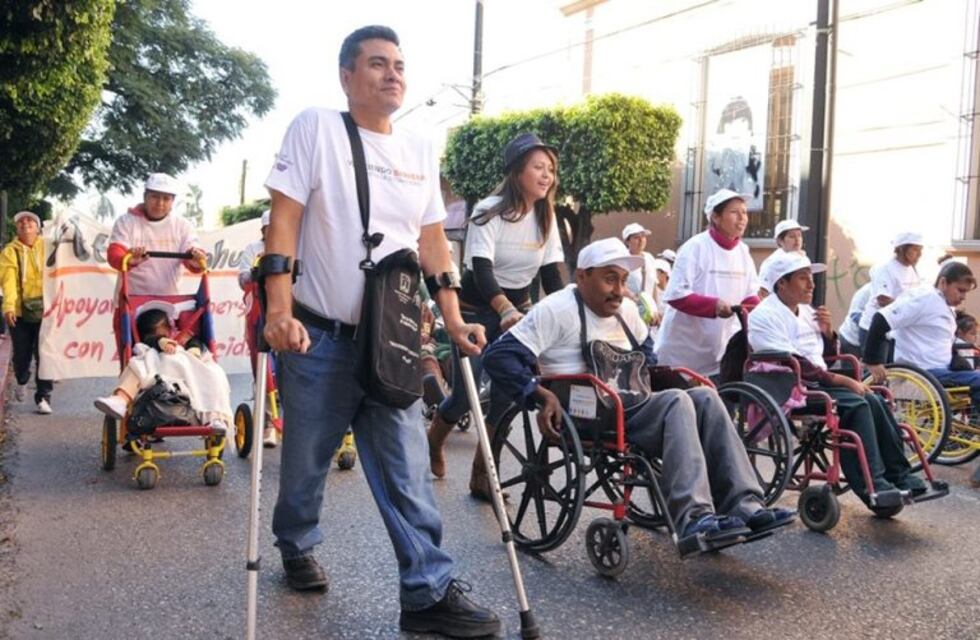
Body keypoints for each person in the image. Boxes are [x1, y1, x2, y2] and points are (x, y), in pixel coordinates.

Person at [260, 25, 499, 638]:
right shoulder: (315, 127)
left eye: (398, 65)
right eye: (376, 64)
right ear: (347, 76)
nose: (392, 74)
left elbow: (432, 242)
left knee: (407, 466)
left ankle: (427, 593)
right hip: (318, 338)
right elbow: (283, 221)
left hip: (391, 341)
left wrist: (451, 317)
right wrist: (278, 309)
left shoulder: (420, 151)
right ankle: (296, 542)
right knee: (306, 465)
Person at [482, 238, 795, 552]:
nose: (618, 290)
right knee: (677, 401)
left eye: (622, 280)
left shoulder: (627, 310)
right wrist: (537, 395)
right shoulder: (555, 309)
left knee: (707, 397)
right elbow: (499, 357)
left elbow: (646, 353)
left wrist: (650, 374)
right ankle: (693, 518)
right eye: (609, 279)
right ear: (582, 276)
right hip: (584, 408)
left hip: (627, 401)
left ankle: (744, 504)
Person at [427, 132, 565, 500]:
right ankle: (433, 441)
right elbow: (482, 269)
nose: (546, 174)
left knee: (506, 396)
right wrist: (503, 309)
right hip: (476, 310)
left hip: (517, 313)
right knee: (465, 397)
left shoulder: (547, 218)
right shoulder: (489, 210)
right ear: (517, 171)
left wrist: (570, 307)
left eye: (550, 168)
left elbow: (552, 276)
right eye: (538, 166)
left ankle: (481, 476)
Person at [751, 252, 926, 507]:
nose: (811, 285)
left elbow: (827, 358)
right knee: (858, 404)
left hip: (815, 382)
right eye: (803, 278)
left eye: (811, 278)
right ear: (782, 283)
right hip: (787, 387)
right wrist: (843, 381)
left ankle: (899, 475)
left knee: (875, 400)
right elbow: (792, 362)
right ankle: (873, 484)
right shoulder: (763, 315)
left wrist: (828, 333)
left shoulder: (807, 312)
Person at [655, 188, 761, 377]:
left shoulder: (743, 252)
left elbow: (750, 295)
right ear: (715, 217)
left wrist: (761, 313)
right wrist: (714, 306)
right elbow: (676, 295)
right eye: (734, 212)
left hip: (719, 353)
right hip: (682, 354)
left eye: (744, 212)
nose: (742, 218)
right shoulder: (694, 247)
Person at [92, 307, 231, 435]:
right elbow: (150, 340)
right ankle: (120, 400)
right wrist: (161, 341)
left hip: (189, 374)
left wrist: (193, 349)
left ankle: (215, 417)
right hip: (161, 375)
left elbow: (194, 342)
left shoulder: (181, 335)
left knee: (214, 373)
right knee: (139, 362)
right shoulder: (152, 342)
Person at [1, 211, 53, 414]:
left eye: (30, 220)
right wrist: (9, 307)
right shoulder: (9, 252)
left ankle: (43, 397)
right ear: (17, 229)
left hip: (47, 311)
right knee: (22, 355)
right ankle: (22, 379)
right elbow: (8, 281)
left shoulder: (49, 247)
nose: (25, 223)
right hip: (21, 313)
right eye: (21, 222)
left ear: (38, 227)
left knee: (45, 356)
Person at [238, 209, 279, 448]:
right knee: (262, 369)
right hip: (259, 314)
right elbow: (242, 278)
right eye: (268, 229)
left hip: (288, 312)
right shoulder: (254, 249)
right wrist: (254, 274)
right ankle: (267, 424)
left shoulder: (293, 244)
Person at [857, 231, 924, 348]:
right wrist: (911, 308)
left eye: (920, 250)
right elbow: (883, 299)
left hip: (897, 329)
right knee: (878, 366)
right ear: (903, 249)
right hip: (876, 329)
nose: (919, 254)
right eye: (915, 250)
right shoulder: (885, 268)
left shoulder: (912, 270)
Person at [622, 222, 665, 336]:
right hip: (630, 312)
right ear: (627, 241)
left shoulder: (649, 258)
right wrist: (635, 299)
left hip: (648, 314)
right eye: (636, 237)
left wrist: (656, 309)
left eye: (643, 237)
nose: (641, 240)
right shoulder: (623, 260)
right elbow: (620, 286)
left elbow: (654, 286)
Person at [757, 218, 808, 296]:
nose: (797, 240)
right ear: (780, 241)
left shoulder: (803, 258)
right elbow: (763, 292)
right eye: (792, 236)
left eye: (799, 235)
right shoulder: (772, 262)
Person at [838, 281, 873, 357]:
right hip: (851, 339)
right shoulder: (867, 291)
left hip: (871, 340)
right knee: (852, 367)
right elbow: (854, 315)